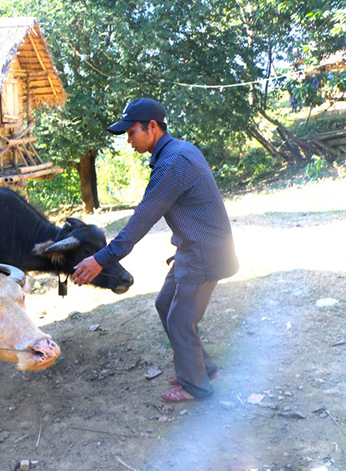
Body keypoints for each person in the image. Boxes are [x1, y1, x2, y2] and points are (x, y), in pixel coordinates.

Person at [71, 98, 238, 403]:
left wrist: (101, 259)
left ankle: (195, 386)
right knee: (166, 304)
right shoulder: (177, 152)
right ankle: (203, 368)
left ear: (152, 127)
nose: (128, 140)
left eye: (131, 132)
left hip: (203, 252)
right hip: (194, 248)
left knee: (179, 319)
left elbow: (141, 220)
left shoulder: (172, 163)